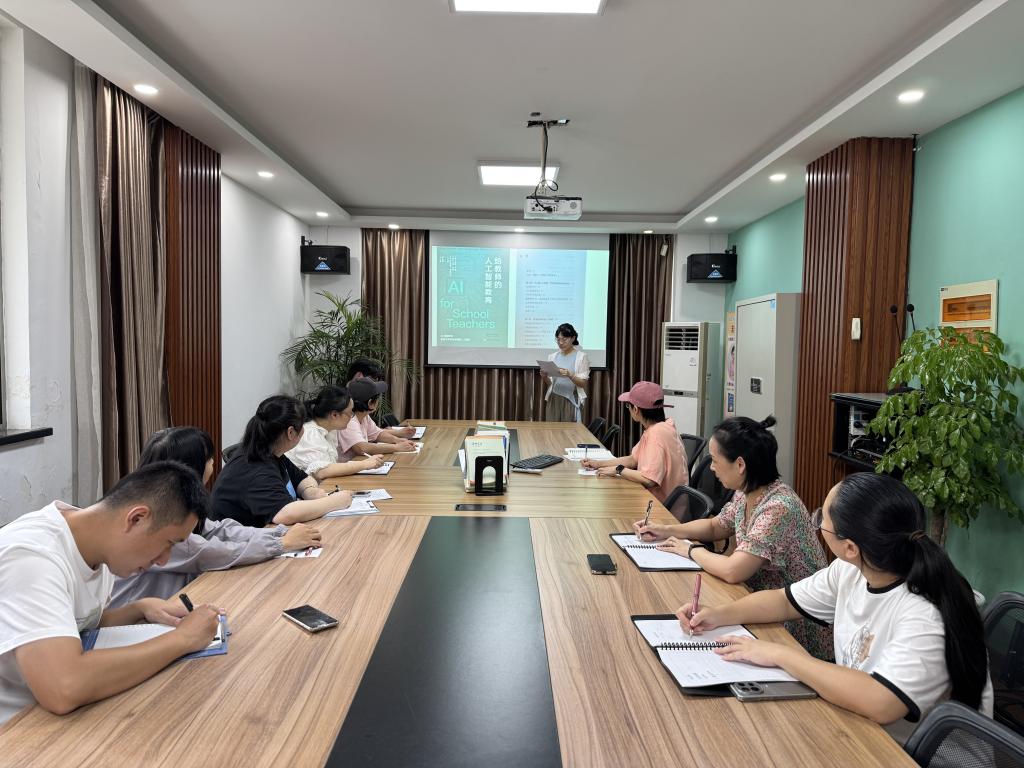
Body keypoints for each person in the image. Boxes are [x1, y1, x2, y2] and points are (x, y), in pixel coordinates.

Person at [678, 472, 993, 743]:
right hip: (861, 729)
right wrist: (718, 614)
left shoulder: (923, 614)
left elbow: (882, 702)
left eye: (822, 521)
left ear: (850, 547)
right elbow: (782, 601)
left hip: (909, 754)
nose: (818, 524)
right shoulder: (852, 570)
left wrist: (779, 654)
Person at [0, 461, 224, 724]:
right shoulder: (32, 559)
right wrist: (183, 639)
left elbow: (74, 626)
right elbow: (63, 687)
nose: (163, 560)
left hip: (50, 715)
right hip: (16, 728)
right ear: (136, 518)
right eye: (169, 543)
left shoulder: (97, 546)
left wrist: (139, 609)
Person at [635, 416, 831, 659]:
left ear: (740, 465)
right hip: (759, 605)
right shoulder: (746, 492)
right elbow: (716, 526)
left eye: (715, 460)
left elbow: (733, 570)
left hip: (796, 627)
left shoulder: (779, 507)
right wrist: (667, 530)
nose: (712, 468)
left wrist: (691, 550)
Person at [110, 427, 323, 606]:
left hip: (170, 603)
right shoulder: (157, 518)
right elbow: (210, 552)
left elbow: (219, 529)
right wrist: (282, 543)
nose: (213, 463)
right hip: (136, 622)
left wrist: (280, 534)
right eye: (209, 459)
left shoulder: (171, 500)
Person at [211, 395, 352, 527]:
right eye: (302, 425)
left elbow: (302, 478)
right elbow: (285, 514)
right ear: (291, 432)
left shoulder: (271, 451)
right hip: (236, 541)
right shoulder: (256, 468)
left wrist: (310, 491)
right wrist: (335, 502)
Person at [581, 381, 687, 502]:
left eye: (628, 406)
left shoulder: (656, 434)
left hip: (662, 507)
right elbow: (633, 459)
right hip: (668, 502)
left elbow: (649, 480)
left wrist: (618, 470)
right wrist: (597, 464)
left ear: (635, 409)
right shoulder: (663, 426)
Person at [286, 386, 386, 479]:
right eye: (350, 412)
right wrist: (365, 464)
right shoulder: (310, 433)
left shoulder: (330, 430)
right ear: (334, 415)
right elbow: (322, 471)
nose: (352, 416)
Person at [336, 378, 416, 461]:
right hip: (348, 465)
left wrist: (398, 440)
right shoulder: (349, 421)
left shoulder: (364, 416)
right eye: (378, 398)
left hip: (360, 462)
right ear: (370, 403)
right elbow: (362, 448)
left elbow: (377, 434)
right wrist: (396, 447)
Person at [347, 357, 416, 438]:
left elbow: (373, 431)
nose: (374, 384)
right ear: (359, 376)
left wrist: (399, 433)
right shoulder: (344, 405)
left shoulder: (361, 411)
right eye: (372, 380)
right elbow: (359, 442)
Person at [540, 323, 590, 422]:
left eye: (564, 339)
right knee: (552, 429)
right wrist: (544, 377)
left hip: (570, 400)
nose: (561, 342)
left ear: (573, 338)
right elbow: (551, 384)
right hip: (554, 399)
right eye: (558, 339)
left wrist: (570, 375)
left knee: (568, 430)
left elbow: (583, 383)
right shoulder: (552, 357)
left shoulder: (581, 357)